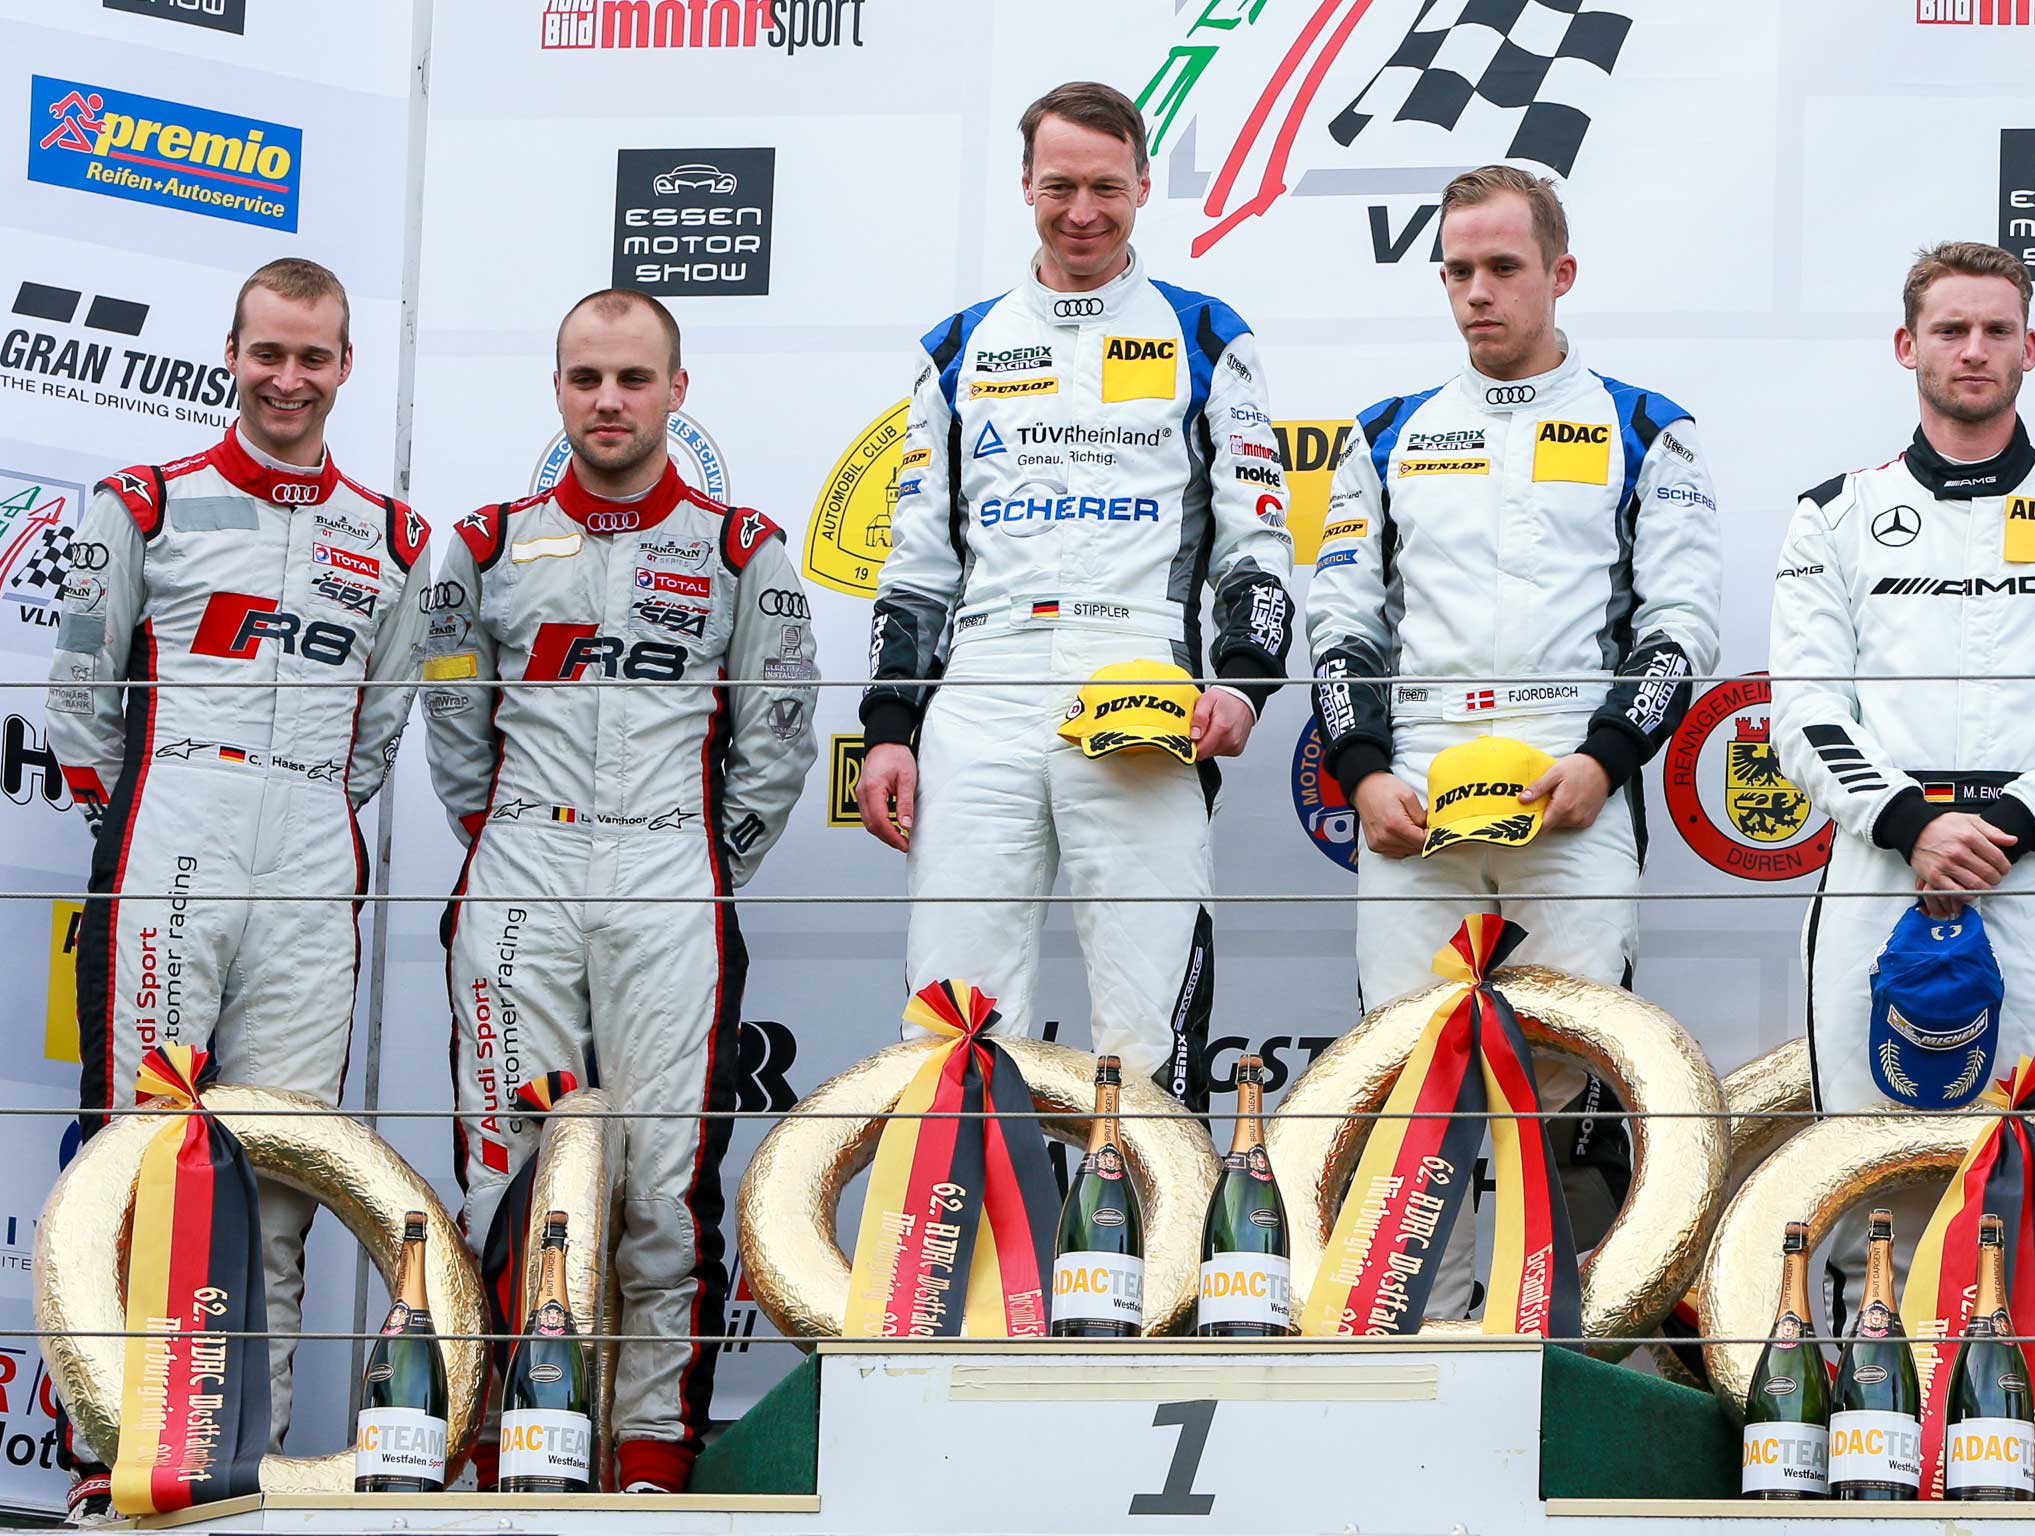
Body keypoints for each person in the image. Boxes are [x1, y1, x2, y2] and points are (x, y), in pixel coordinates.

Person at [44, 258, 429, 1520]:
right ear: (232, 352)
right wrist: (151, 822)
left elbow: (379, 731)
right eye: (269, 352)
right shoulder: (144, 502)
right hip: (175, 840)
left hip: (313, 853)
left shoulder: (396, 538)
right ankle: (111, 1454)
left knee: (283, 1174)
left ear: (346, 364)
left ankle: (237, 1467)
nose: (289, 379)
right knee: (137, 1149)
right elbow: (80, 708)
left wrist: (304, 809)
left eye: (313, 356)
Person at [423, 290, 818, 1493]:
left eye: (633, 379)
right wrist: (503, 836)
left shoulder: (740, 548)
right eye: (586, 377)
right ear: (557, 389)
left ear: (676, 393)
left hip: (667, 873)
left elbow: (779, 734)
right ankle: (503, 1436)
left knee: (661, 1182)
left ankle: (649, 1446)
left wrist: (704, 859)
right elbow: (453, 720)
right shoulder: (482, 545)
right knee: (507, 1173)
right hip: (521, 869)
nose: (609, 400)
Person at [854, 82, 1291, 1095]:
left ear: (1143, 185)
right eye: (1059, 187)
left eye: (1106, 187)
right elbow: (917, 561)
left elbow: (1255, 538)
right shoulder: (957, 345)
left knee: (1147, 1017)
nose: (1082, 212)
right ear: (1025, 186)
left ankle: (1150, 1202)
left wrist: (1244, 681)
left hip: (1140, 677)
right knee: (952, 1012)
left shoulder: (1206, 332)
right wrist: (887, 727)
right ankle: (957, 1207)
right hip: (984, 681)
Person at [1306, 164, 1719, 1007]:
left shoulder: (1647, 428)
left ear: (1561, 274)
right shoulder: (1384, 433)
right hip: (1417, 783)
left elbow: (1680, 627)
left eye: (1503, 268)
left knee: (1573, 1060)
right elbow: (1342, 627)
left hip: (1571, 772)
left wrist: (1604, 761)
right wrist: (1362, 772)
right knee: (1404, 1054)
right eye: (1458, 272)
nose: (1477, 293)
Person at [1774, 241, 2035, 1122]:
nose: (1975, 350)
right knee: (1871, 1156)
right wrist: (1912, 825)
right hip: (1880, 863)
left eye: (1997, 330)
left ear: (2031, 348)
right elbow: (1805, 710)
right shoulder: (1834, 514)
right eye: (1951, 330)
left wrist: (2010, 828)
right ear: (1907, 346)